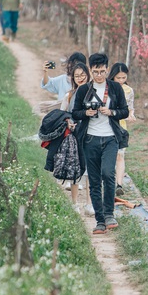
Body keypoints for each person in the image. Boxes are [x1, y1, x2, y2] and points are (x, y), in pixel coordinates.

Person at [72, 53, 129, 234]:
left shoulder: (114, 88)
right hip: (90, 139)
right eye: (95, 72)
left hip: (111, 137)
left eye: (102, 71)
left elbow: (125, 111)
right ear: (90, 70)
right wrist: (86, 113)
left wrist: (111, 112)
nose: (99, 75)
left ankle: (109, 213)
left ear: (107, 69)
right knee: (95, 180)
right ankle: (100, 220)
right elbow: (75, 113)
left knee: (108, 174)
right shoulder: (83, 90)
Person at [61, 62, 91, 213]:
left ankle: (89, 204)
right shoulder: (70, 95)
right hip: (75, 135)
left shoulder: (94, 92)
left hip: (92, 134)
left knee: (91, 170)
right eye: (77, 76)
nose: (80, 78)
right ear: (73, 78)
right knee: (75, 169)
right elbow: (63, 113)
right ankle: (74, 203)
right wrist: (68, 122)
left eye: (82, 75)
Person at [108, 62, 136, 197]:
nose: (120, 81)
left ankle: (119, 184)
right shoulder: (107, 88)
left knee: (120, 155)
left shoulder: (129, 91)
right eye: (118, 78)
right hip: (106, 125)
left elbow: (130, 108)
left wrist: (131, 115)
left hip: (121, 127)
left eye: (123, 78)